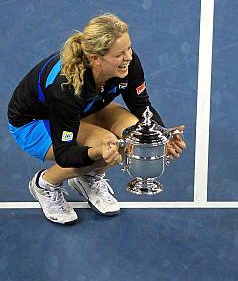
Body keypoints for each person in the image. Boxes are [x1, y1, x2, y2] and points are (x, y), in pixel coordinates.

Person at [7, 13, 187, 224]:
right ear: (96, 59)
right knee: (111, 145)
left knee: (134, 134)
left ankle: (87, 178)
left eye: (128, 48)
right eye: (120, 54)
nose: (128, 57)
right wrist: (97, 153)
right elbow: (65, 154)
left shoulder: (128, 63)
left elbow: (140, 105)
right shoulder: (64, 88)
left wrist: (161, 138)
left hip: (84, 107)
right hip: (35, 123)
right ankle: (45, 184)